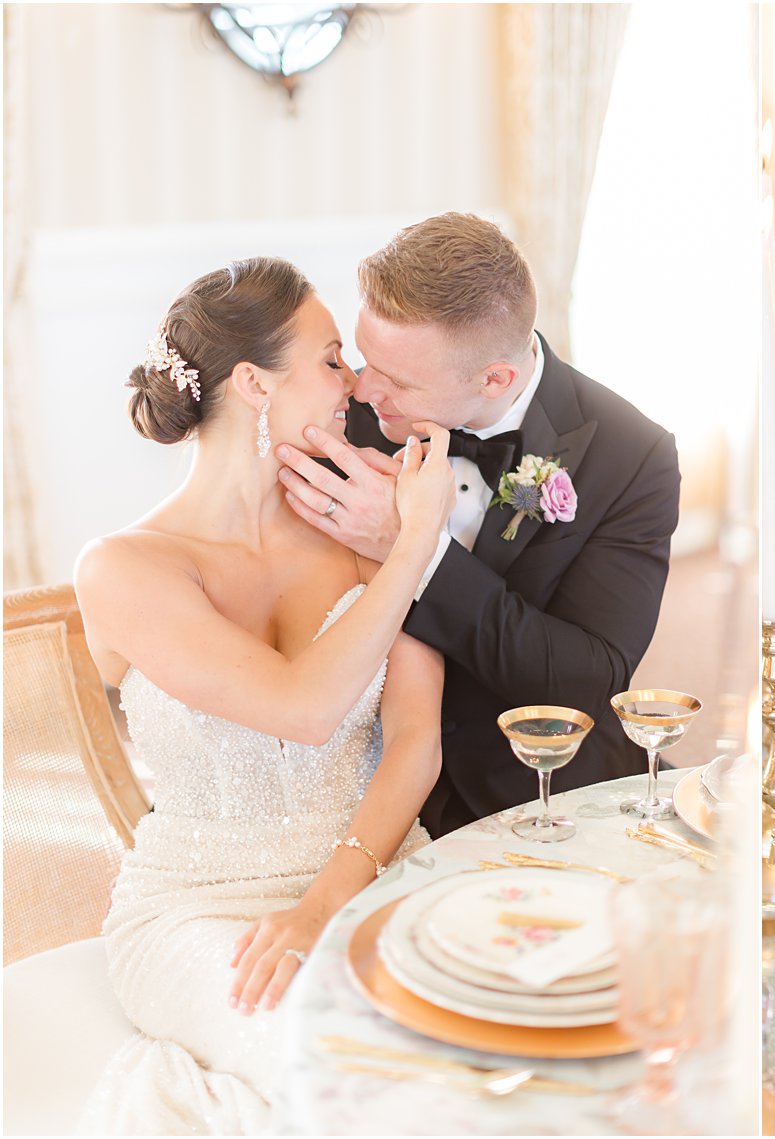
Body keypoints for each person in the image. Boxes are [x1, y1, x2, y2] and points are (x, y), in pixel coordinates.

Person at [72, 257, 456, 1133]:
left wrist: (327, 900)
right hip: (198, 907)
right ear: (253, 383)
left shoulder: (360, 526)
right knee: (336, 1060)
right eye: (330, 359)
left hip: (376, 874)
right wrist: (414, 546)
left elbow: (415, 743)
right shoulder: (124, 569)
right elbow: (305, 707)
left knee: (485, 1034)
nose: (353, 381)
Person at [277, 213, 681, 835]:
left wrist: (412, 549)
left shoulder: (632, 456)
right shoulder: (339, 412)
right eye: (364, 358)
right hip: (353, 789)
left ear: (497, 379)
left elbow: (589, 678)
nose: (362, 392)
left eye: (399, 381)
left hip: (540, 794)